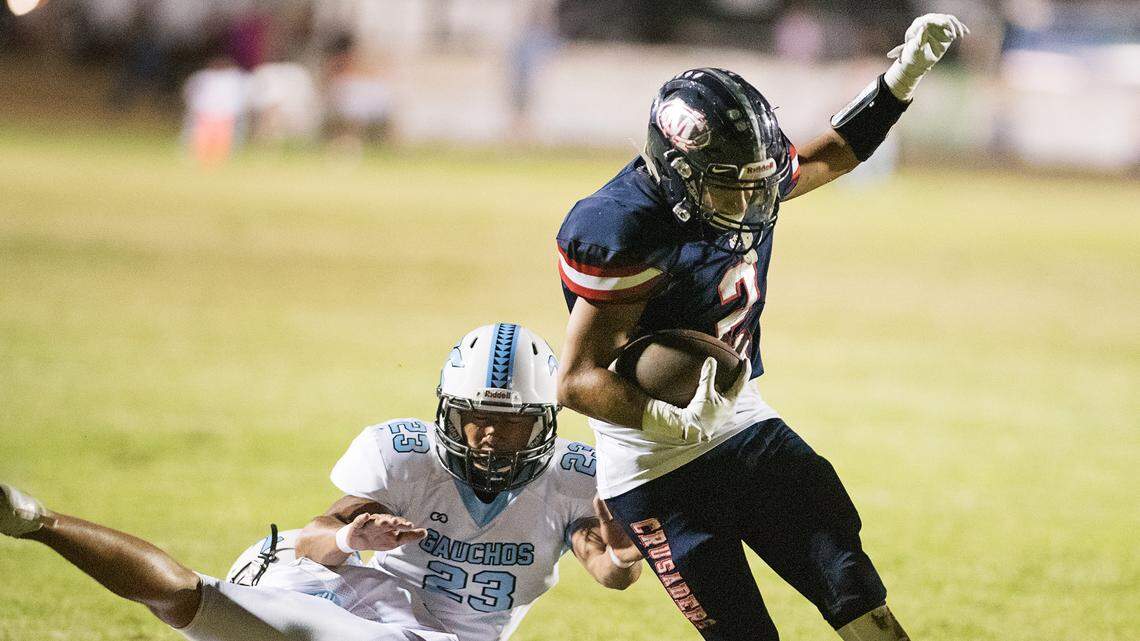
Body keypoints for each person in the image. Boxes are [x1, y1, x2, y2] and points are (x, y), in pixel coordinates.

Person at [554, 14, 967, 641]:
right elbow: (577, 381)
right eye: (731, 188)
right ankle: (602, 541)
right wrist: (669, 420)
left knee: (852, 586)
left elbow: (831, 154)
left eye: (760, 182)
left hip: (741, 416)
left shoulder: (742, 181)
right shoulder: (622, 228)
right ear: (678, 173)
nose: (753, 203)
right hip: (652, 458)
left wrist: (901, 79)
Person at [1, 323, 640, 641]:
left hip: (418, 630)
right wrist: (355, 535)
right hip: (333, 582)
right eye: (476, 420)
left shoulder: (573, 478)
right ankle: (40, 523)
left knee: (203, 606)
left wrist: (623, 548)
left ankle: (36, 521)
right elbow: (313, 541)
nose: (491, 438)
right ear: (448, 412)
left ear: (546, 422)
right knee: (200, 603)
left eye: (511, 423)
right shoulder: (404, 456)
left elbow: (610, 569)